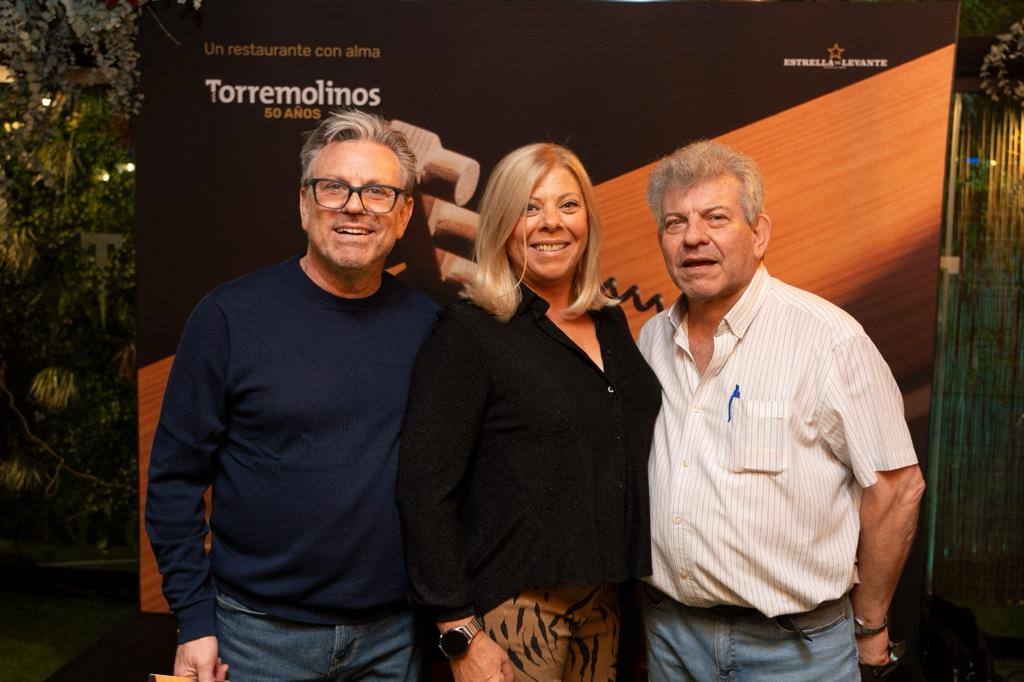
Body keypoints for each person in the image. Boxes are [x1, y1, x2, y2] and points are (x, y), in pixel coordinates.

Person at [145, 109, 438, 681]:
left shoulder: (430, 327)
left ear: (403, 214)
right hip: (253, 640)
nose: (354, 206)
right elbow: (174, 481)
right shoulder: (228, 317)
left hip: (393, 639)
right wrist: (194, 618)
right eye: (334, 188)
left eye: (377, 192)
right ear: (304, 204)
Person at [636, 139, 926, 681]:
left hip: (795, 653)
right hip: (672, 639)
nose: (693, 237)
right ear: (661, 241)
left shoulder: (828, 340)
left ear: (759, 233)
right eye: (676, 222)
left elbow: (896, 487)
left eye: (715, 217)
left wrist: (870, 623)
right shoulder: (651, 341)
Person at [396, 143, 662, 681]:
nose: (551, 223)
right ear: (502, 224)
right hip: (512, 608)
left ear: (587, 220)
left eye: (568, 205)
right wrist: (458, 629)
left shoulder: (610, 323)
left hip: (607, 600)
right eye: (529, 208)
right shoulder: (470, 333)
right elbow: (424, 491)